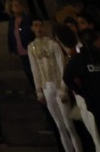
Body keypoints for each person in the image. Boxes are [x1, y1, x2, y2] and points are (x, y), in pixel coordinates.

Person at [26, 20, 79, 152]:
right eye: (36, 26)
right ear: (32, 28)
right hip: (46, 87)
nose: (38, 28)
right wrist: (39, 91)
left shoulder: (53, 44)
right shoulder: (31, 47)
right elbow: (35, 69)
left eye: (40, 25)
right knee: (60, 125)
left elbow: (61, 65)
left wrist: (63, 87)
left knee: (69, 125)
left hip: (57, 84)